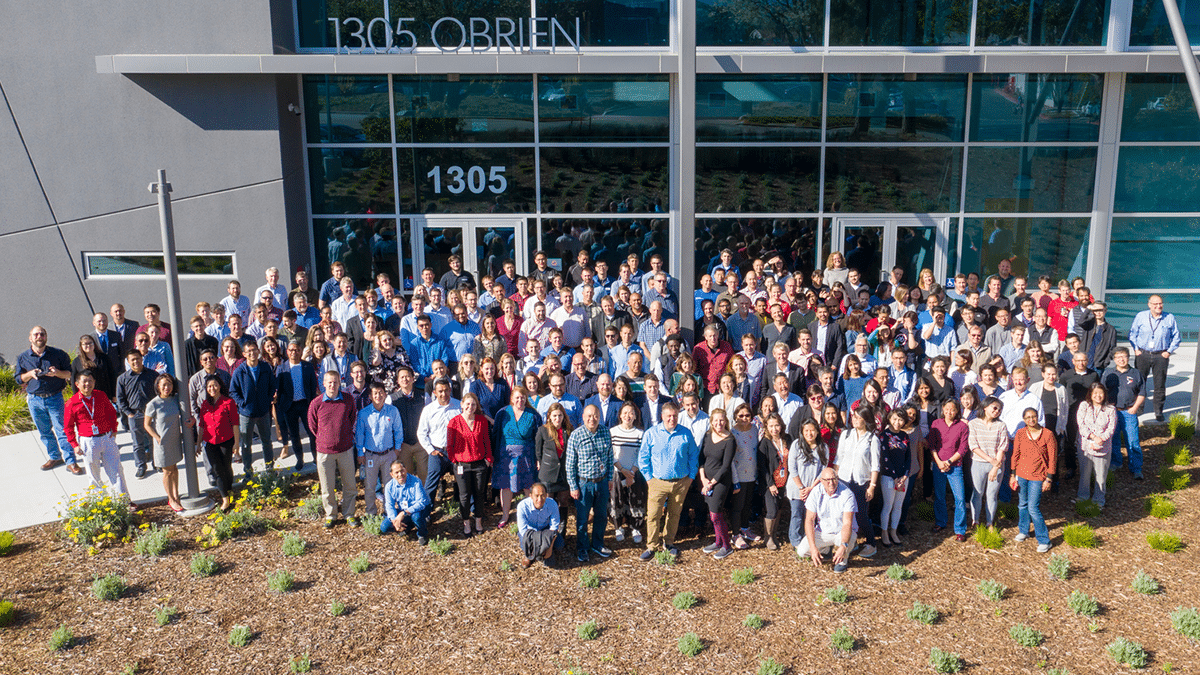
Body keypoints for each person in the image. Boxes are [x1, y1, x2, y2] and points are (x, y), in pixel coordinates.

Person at [638, 401, 700, 561]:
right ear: (662, 416)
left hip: (681, 482)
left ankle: (669, 542)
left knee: (674, 513)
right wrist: (649, 478)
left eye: (675, 416)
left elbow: (693, 455)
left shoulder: (685, 433)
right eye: (668, 416)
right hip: (657, 481)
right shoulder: (651, 433)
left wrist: (691, 477)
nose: (672, 419)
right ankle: (652, 545)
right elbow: (643, 458)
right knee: (653, 515)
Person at [16, 326, 81, 474]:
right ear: (30, 338)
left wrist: (57, 373)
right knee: (44, 432)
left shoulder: (58, 354)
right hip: (34, 400)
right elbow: (19, 379)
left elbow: (69, 374)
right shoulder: (23, 357)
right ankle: (55, 457)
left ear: (46, 337)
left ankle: (71, 461)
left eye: (42, 334)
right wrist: (30, 374)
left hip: (54, 398)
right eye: (36, 334)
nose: (39, 336)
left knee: (62, 430)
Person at [308, 370, 359, 529]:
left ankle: (349, 514)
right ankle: (331, 515)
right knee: (327, 487)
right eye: (329, 382)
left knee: (349, 485)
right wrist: (326, 438)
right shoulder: (316, 403)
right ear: (323, 384)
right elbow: (313, 426)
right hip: (324, 452)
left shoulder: (348, 400)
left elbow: (351, 420)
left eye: (335, 382)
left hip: (345, 450)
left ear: (339, 383)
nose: (332, 385)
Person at [63, 371, 127, 496]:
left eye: (90, 381)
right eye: (84, 381)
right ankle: (102, 503)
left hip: (106, 437)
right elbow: (68, 426)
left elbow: (111, 413)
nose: (88, 384)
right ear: (77, 384)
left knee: (116, 470)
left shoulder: (100, 395)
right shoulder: (72, 402)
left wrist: (114, 430)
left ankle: (124, 501)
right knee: (94, 475)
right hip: (88, 441)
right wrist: (74, 445)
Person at [565, 405, 615, 562]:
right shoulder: (576, 435)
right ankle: (582, 547)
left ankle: (598, 544)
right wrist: (573, 486)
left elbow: (609, 457)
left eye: (595, 416)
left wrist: (610, 478)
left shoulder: (605, 432)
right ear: (583, 417)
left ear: (599, 417)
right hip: (584, 483)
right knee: (582, 518)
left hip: (601, 482)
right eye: (588, 416)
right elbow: (570, 464)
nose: (592, 419)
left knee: (601, 516)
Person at [492, 387, 541, 528]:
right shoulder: (502, 413)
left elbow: (538, 438)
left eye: (523, 398)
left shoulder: (533, 415)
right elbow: (496, 435)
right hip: (505, 456)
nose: (520, 400)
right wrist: (494, 456)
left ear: (526, 399)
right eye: (517, 398)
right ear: (512, 398)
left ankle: (530, 515)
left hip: (526, 456)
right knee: (506, 486)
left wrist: (538, 457)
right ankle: (505, 515)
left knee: (528, 486)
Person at [834, 406, 879, 557]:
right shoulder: (846, 435)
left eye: (859, 417)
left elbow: (875, 465)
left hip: (861, 482)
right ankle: (850, 543)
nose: (855, 419)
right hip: (844, 480)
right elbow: (838, 459)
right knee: (845, 514)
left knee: (861, 515)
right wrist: (835, 478)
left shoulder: (873, 439)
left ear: (866, 420)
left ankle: (871, 543)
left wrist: (872, 487)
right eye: (854, 416)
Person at [1010, 407, 1057, 552]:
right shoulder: (1021, 433)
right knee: (1022, 504)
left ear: (1038, 417)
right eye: (1028, 417)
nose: (1031, 420)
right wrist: (1012, 474)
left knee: (1033, 507)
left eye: (1034, 416)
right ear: (1024, 420)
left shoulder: (1048, 434)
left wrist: (1049, 478)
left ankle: (1044, 539)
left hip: (1038, 476)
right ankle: (1023, 530)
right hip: (1022, 474)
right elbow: (1015, 454)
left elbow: (1053, 458)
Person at [446, 392, 493, 537]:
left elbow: (486, 440)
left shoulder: (481, 421)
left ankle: (478, 521)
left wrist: (488, 459)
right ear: (462, 405)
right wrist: (454, 459)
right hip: (462, 464)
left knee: (479, 494)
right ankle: (466, 522)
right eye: (467, 404)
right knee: (464, 495)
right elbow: (450, 444)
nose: (470, 407)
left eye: (473, 404)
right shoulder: (454, 422)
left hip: (479, 464)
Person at [1128, 295, 1180, 422]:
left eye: (1160, 303)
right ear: (1149, 304)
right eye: (1155, 304)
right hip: (1143, 354)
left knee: (1160, 384)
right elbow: (1132, 333)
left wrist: (1169, 351)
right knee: (1140, 382)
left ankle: (1158, 411)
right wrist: (1135, 349)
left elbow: (1176, 337)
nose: (1158, 306)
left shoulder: (1169, 317)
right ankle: (1139, 408)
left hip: (1161, 355)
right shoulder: (1141, 316)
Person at [355, 382, 404, 518]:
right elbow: (360, 435)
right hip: (370, 456)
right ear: (370, 396)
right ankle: (371, 513)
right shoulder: (364, 414)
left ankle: (389, 512)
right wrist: (360, 453)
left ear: (385, 394)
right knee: (370, 486)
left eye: (381, 392)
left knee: (389, 486)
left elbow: (398, 431)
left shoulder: (392, 411)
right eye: (375, 393)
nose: (378, 395)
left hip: (388, 454)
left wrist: (397, 449)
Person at [798, 467, 859, 573]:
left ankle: (843, 560)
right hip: (823, 531)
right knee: (802, 551)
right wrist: (813, 548)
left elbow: (847, 523)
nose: (831, 483)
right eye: (827, 480)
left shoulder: (847, 494)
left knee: (848, 539)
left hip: (842, 531)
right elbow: (809, 520)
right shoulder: (816, 492)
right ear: (821, 481)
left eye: (833, 479)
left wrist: (843, 545)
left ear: (837, 478)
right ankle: (826, 550)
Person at [229, 342, 278, 476]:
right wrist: (242, 403)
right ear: (244, 354)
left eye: (254, 350)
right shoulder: (240, 371)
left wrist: (267, 400)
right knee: (246, 445)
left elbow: (272, 385)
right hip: (246, 414)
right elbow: (233, 391)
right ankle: (248, 472)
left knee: (267, 442)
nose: (252, 353)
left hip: (263, 412)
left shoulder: (265, 367)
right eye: (249, 351)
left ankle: (269, 470)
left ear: (258, 351)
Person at [143, 373, 190, 512]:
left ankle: (176, 495)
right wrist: (157, 438)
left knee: (174, 469)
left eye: (169, 384)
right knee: (167, 472)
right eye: (163, 384)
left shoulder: (175, 399)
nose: (167, 387)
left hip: (174, 440)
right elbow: (147, 425)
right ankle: (171, 499)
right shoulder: (153, 404)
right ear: (158, 386)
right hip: (162, 443)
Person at [416, 378, 462, 512]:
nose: (444, 394)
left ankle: (468, 510)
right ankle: (426, 513)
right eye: (440, 391)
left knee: (463, 480)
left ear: (450, 390)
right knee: (430, 485)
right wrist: (431, 450)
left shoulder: (459, 406)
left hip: (456, 452)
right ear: (435, 392)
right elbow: (421, 433)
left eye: (446, 390)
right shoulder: (428, 410)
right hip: (437, 452)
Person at [697, 408, 736, 559]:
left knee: (716, 514)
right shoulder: (707, 436)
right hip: (706, 480)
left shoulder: (730, 440)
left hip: (720, 482)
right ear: (711, 422)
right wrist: (703, 479)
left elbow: (726, 466)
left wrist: (711, 483)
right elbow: (701, 459)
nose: (719, 423)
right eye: (716, 420)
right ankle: (718, 541)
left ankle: (727, 545)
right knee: (712, 513)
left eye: (721, 420)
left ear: (726, 421)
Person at [196, 375, 239, 511]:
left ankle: (229, 489)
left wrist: (236, 443)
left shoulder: (228, 402)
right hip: (210, 443)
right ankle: (225, 499)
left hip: (226, 441)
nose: (212, 388)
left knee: (226, 468)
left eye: (214, 385)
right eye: (209, 386)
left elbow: (235, 424)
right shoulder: (204, 404)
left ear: (220, 386)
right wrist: (198, 443)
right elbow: (202, 425)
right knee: (217, 470)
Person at [1103, 347, 1146, 479]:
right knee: (1114, 439)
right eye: (1118, 357)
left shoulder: (1136, 373)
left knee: (1132, 440)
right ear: (1114, 359)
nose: (1121, 359)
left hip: (1129, 412)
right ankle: (1116, 462)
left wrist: (1135, 407)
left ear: (1128, 357)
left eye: (1124, 356)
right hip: (1113, 412)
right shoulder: (1109, 373)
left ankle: (1136, 467)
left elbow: (1142, 393)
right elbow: (1101, 391)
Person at [115, 350, 158, 479]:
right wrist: (129, 413)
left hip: (151, 414)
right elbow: (120, 399)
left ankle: (157, 463)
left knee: (153, 440)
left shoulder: (152, 375)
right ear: (128, 362)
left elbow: (159, 393)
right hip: (135, 415)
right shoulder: (123, 379)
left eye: (137, 358)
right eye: (132, 359)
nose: (135, 361)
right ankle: (141, 466)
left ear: (142, 359)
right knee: (137, 443)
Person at [536, 402, 573, 544]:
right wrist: (540, 462)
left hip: (564, 473)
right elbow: (538, 451)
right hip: (548, 473)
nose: (558, 418)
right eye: (555, 416)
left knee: (563, 502)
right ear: (549, 417)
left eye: (560, 415)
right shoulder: (543, 431)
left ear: (564, 416)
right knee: (547, 503)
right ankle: (547, 534)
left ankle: (561, 532)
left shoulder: (569, 431)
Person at [968, 397, 1008, 529]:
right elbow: (973, 446)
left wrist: (995, 467)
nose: (997, 411)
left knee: (991, 495)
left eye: (999, 409)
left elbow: (1002, 446)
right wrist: (991, 460)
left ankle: (990, 522)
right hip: (978, 463)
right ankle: (975, 521)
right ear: (985, 407)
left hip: (997, 466)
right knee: (977, 493)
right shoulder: (973, 424)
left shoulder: (1001, 425)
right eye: (994, 408)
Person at [610, 401, 646, 544]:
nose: (628, 416)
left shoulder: (640, 433)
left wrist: (631, 472)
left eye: (631, 413)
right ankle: (619, 527)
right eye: (625, 413)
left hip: (634, 473)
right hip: (617, 472)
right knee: (617, 499)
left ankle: (635, 527)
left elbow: (642, 454)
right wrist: (622, 470)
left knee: (635, 499)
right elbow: (610, 453)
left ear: (636, 416)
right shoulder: (613, 432)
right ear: (620, 415)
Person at [1076, 382, 1117, 510]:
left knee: (1100, 475)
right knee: (1085, 474)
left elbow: (1111, 429)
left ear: (1105, 394)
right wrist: (1093, 438)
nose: (1098, 396)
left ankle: (1099, 500)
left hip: (1103, 448)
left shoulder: (1111, 409)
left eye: (1101, 393)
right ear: (1090, 394)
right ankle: (1083, 497)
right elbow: (1081, 425)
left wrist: (1101, 440)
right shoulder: (1084, 406)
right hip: (1085, 446)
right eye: (1095, 393)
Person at [757, 412, 792, 550]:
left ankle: (775, 535)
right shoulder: (764, 443)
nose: (774, 429)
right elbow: (762, 467)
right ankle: (768, 537)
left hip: (784, 481)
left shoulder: (787, 439)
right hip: (770, 483)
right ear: (766, 427)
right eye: (771, 426)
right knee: (771, 511)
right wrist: (770, 484)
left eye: (776, 425)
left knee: (778, 509)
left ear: (781, 426)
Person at [879, 409, 912, 546]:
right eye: (894, 419)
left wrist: (905, 475)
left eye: (900, 420)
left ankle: (894, 530)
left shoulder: (905, 436)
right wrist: (895, 477)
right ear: (889, 419)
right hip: (888, 477)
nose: (897, 422)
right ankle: (884, 532)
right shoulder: (884, 436)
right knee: (888, 505)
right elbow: (885, 458)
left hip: (903, 477)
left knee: (898, 506)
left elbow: (908, 457)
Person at [381, 460, 430, 545]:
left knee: (416, 517)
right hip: (403, 510)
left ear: (406, 470)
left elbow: (421, 503)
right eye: (396, 472)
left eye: (402, 471)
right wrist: (394, 521)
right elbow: (389, 506)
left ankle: (422, 534)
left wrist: (403, 514)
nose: (400, 474)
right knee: (384, 527)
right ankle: (408, 526)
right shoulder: (389, 486)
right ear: (392, 475)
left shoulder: (416, 481)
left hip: (419, 509)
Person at [517, 482, 561, 567]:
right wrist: (535, 543)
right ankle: (529, 555)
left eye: (542, 495)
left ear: (546, 495)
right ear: (531, 496)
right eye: (536, 496)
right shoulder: (522, 506)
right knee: (524, 543)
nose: (540, 499)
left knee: (559, 545)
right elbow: (523, 530)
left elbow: (554, 527)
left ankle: (545, 552)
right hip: (530, 532)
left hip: (546, 530)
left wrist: (549, 547)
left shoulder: (552, 504)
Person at [72, 334, 116, 400]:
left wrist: (114, 395)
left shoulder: (104, 358)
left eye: (90, 343)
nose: (88, 345)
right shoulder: (76, 362)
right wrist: (76, 397)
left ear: (94, 344)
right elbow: (73, 381)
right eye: (85, 344)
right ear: (81, 346)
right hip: (87, 397)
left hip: (104, 394)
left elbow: (112, 376)